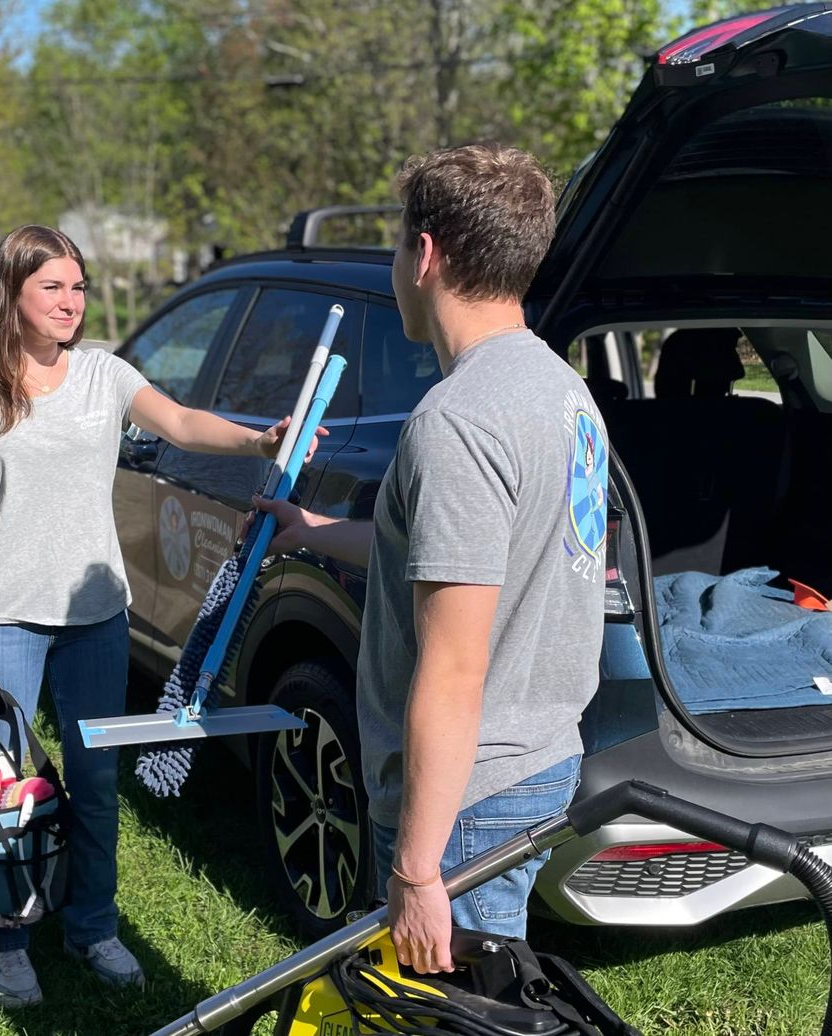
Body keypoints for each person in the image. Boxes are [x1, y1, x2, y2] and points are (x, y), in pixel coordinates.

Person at [0, 224, 322, 1009]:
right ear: (10, 293)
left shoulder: (104, 374)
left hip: (97, 614)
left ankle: (92, 925)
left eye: (78, 287)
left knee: (96, 783)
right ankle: (8, 940)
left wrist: (261, 438)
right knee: (1, 791)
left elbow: (178, 423)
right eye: (53, 288)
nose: (71, 303)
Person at [254, 144, 609, 977]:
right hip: (538, 756)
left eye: (395, 244)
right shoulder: (562, 389)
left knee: (446, 1011)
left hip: (468, 796)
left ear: (425, 254)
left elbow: (453, 664)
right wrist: (308, 529)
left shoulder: (458, 421)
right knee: (494, 997)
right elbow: (460, 565)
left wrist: (416, 869)